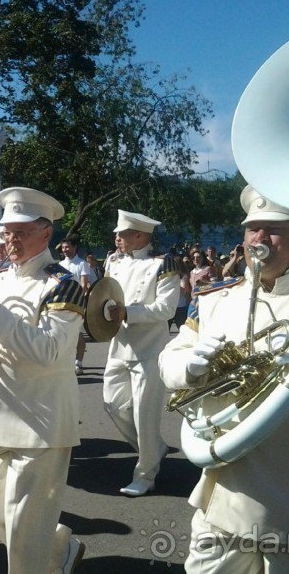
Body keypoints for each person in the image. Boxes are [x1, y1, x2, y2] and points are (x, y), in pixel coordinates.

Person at [159, 185, 289, 572]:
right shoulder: (218, 298)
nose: (258, 239)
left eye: (273, 229)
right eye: (252, 228)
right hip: (223, 499)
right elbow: (170, 358)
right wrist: (190, 367)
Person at [0, 187, 87, 574]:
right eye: (7, 233)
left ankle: (42, 555)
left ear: (46, 234)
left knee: (24, 532)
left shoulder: (62, 284)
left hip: (41, 419)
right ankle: (58, 547)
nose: (10, 241)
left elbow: (50, 351)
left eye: (20, 232)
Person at [102, 209, 179, 497]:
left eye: (122, 234)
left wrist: (128, 313)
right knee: (113, 405)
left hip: (149, 349)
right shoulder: (114, 262)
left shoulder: (163, 264)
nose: (117, 238)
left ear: (139, 236)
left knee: (145, 416)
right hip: (119, 345)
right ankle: (154, 449)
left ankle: (145, 474)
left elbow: (167, 308)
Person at [57, 235, 96, 375]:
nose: (65, 250)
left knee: (77, 333)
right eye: (63, 248)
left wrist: (78, 299)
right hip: (61, 303)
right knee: (63, 333)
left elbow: (84, 284)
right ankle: (65, 361)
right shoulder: (60, 265)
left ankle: (78, 362)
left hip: (77, 303)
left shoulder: (82, 264)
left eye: (67, 247)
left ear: (74, 247)